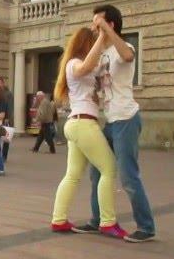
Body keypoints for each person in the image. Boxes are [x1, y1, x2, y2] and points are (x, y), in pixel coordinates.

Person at [73, 4, 156, 243]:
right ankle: (98, 220)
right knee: (98, 173)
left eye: (97, 21)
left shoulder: (124, 47)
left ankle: (146, 227)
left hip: (126, 118)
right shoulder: (102, 54)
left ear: (110, 24)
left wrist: (106, 32)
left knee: (129, 176)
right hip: (109, 121)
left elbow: (129, 56)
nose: (93, 26)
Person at [49, 27, 126, 238]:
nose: (96, 47)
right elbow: (86, 67)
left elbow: (95, 70)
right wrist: (102, 36)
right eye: (91, 43)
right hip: (83, 124)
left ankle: (59, 219)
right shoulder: (74, 64)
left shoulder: (84, 66)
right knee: (109, 169)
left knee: (73, 175)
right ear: (85, 44)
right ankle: (108, 222)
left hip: (78, 124)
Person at [0, 77, 13, 161]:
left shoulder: (8, 94)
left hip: (5, 118)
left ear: (2, 83)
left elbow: (10, 106)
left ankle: (4, 156)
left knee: (6, 138)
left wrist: (8, 117)